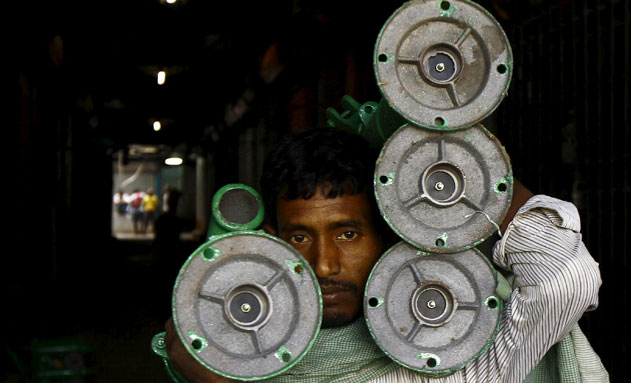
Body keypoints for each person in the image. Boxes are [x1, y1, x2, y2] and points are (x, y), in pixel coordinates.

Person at [163, 128, 608, 382]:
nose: (323, 264)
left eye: (349, 233)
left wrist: (473, 175)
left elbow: (565, 282)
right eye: (299, 238)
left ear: (393, 235)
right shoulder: (233, 356)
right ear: (269, 243)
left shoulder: (454, 359)